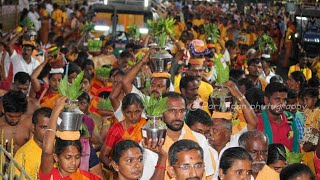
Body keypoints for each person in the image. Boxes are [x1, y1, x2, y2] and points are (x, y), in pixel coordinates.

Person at [141, 92, 214, 180]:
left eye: (181, 111)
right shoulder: (149, 143)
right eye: (172, 111)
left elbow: (208, 175)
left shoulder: (200, 139)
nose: (178, 116)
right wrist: (162, 157)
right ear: (160, 113)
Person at [39, 96, 101, 179]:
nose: (73, 163)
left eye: (77, 157)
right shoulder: (50, 174)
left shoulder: (85, 177)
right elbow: (47, 151)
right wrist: (55, 111)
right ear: (56, 157)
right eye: (68, 157)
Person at [209, 81, 257, 179]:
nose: (209, 133)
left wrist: (238, 95)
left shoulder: (236, 142)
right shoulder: (204, 144)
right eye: (209, 130)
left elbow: (253, 123)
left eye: (215, 130)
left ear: (227, 133)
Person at [100, 93, 146, 168]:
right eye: (129, 112)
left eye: (137, 112)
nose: (133, 116)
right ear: (123, 111)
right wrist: (116, 169)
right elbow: (103, 155)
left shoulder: (146, 126)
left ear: (142, 110)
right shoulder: (116, 129)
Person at [257, 82, 299, 152]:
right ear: (266, 100)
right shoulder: (258, 121)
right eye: (277, 99)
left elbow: (295, 145)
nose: (282, 104)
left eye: (284, 100)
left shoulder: (290, 117)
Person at [14, 107, 52, 179]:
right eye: (44, 127)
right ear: (33, 128)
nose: (48, 132)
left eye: (51, 128)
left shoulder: (60, 147)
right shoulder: (23, 155)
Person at [300, 88, 320, 173]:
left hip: (314, 147)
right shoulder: (306, 111)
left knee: (314, 171)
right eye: (304, 99)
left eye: (307, 99)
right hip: (305, 145)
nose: (305, 102)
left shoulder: (319, 112)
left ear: (314, 99)